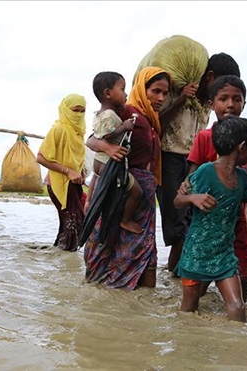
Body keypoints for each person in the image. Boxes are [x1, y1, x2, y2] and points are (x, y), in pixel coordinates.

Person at [174, 116, 247, 321]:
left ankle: (237, 347)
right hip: (196, 254)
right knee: (188, 310)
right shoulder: (206, 171)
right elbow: (177, 200)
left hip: (224, 255)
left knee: (238, 307)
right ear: (242, 146)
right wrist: (193, 198)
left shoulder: (242, 178)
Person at [184, 75, 247, 301]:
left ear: (244, 104)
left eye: (237, 99)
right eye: (223, 99)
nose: (230, 104)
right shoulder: (204, 138)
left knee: (244, 271)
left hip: (236, 219)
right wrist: (190, 193)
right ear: (212, 104)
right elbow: (190, 178)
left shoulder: (246, 140)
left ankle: (239, 309)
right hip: (206, 222)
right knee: (198, 281)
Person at [83, 67, 170, 290]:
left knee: (145, 247)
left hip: (144, 195)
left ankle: (143, 306)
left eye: (165, 93)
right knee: (107, 240)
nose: (161, 98)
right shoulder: (126, 112)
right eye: (155, 91)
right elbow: (93, 140)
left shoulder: (152, 121)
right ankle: (99, 294)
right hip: (121, 188)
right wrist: (107, 148)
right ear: (142, 89)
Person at [158, 52, 242, 273]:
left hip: (193, 163)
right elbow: (155, 125)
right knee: (178, 227)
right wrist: (180, 100)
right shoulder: (179, 93)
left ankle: (180, 275)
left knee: (190, 225)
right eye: (221, 84)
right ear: (209, 77)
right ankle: (177, 278)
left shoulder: (207, 104)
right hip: (170, 159)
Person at [90, 71, 143, 234]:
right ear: (107, 93)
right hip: (109, 164)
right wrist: (124, 127)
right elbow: (107, 134)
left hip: (99, 163)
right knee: (136, 192)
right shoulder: (109, 115)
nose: (126, 94)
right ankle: (126, 220)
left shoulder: (98, 115)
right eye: (122, 89)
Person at [36, 93, 88, 252]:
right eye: (75, 110)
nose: (78, 115)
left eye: (82, 111)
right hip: (59, 185)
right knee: (73, 223)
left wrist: (80, 173)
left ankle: (58, 254)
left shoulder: (79, 132)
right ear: (66, 109)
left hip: (73, 185)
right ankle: (65, 264)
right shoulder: (58, 129)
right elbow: (41, 158)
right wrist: (68, 171)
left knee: (71, 224)